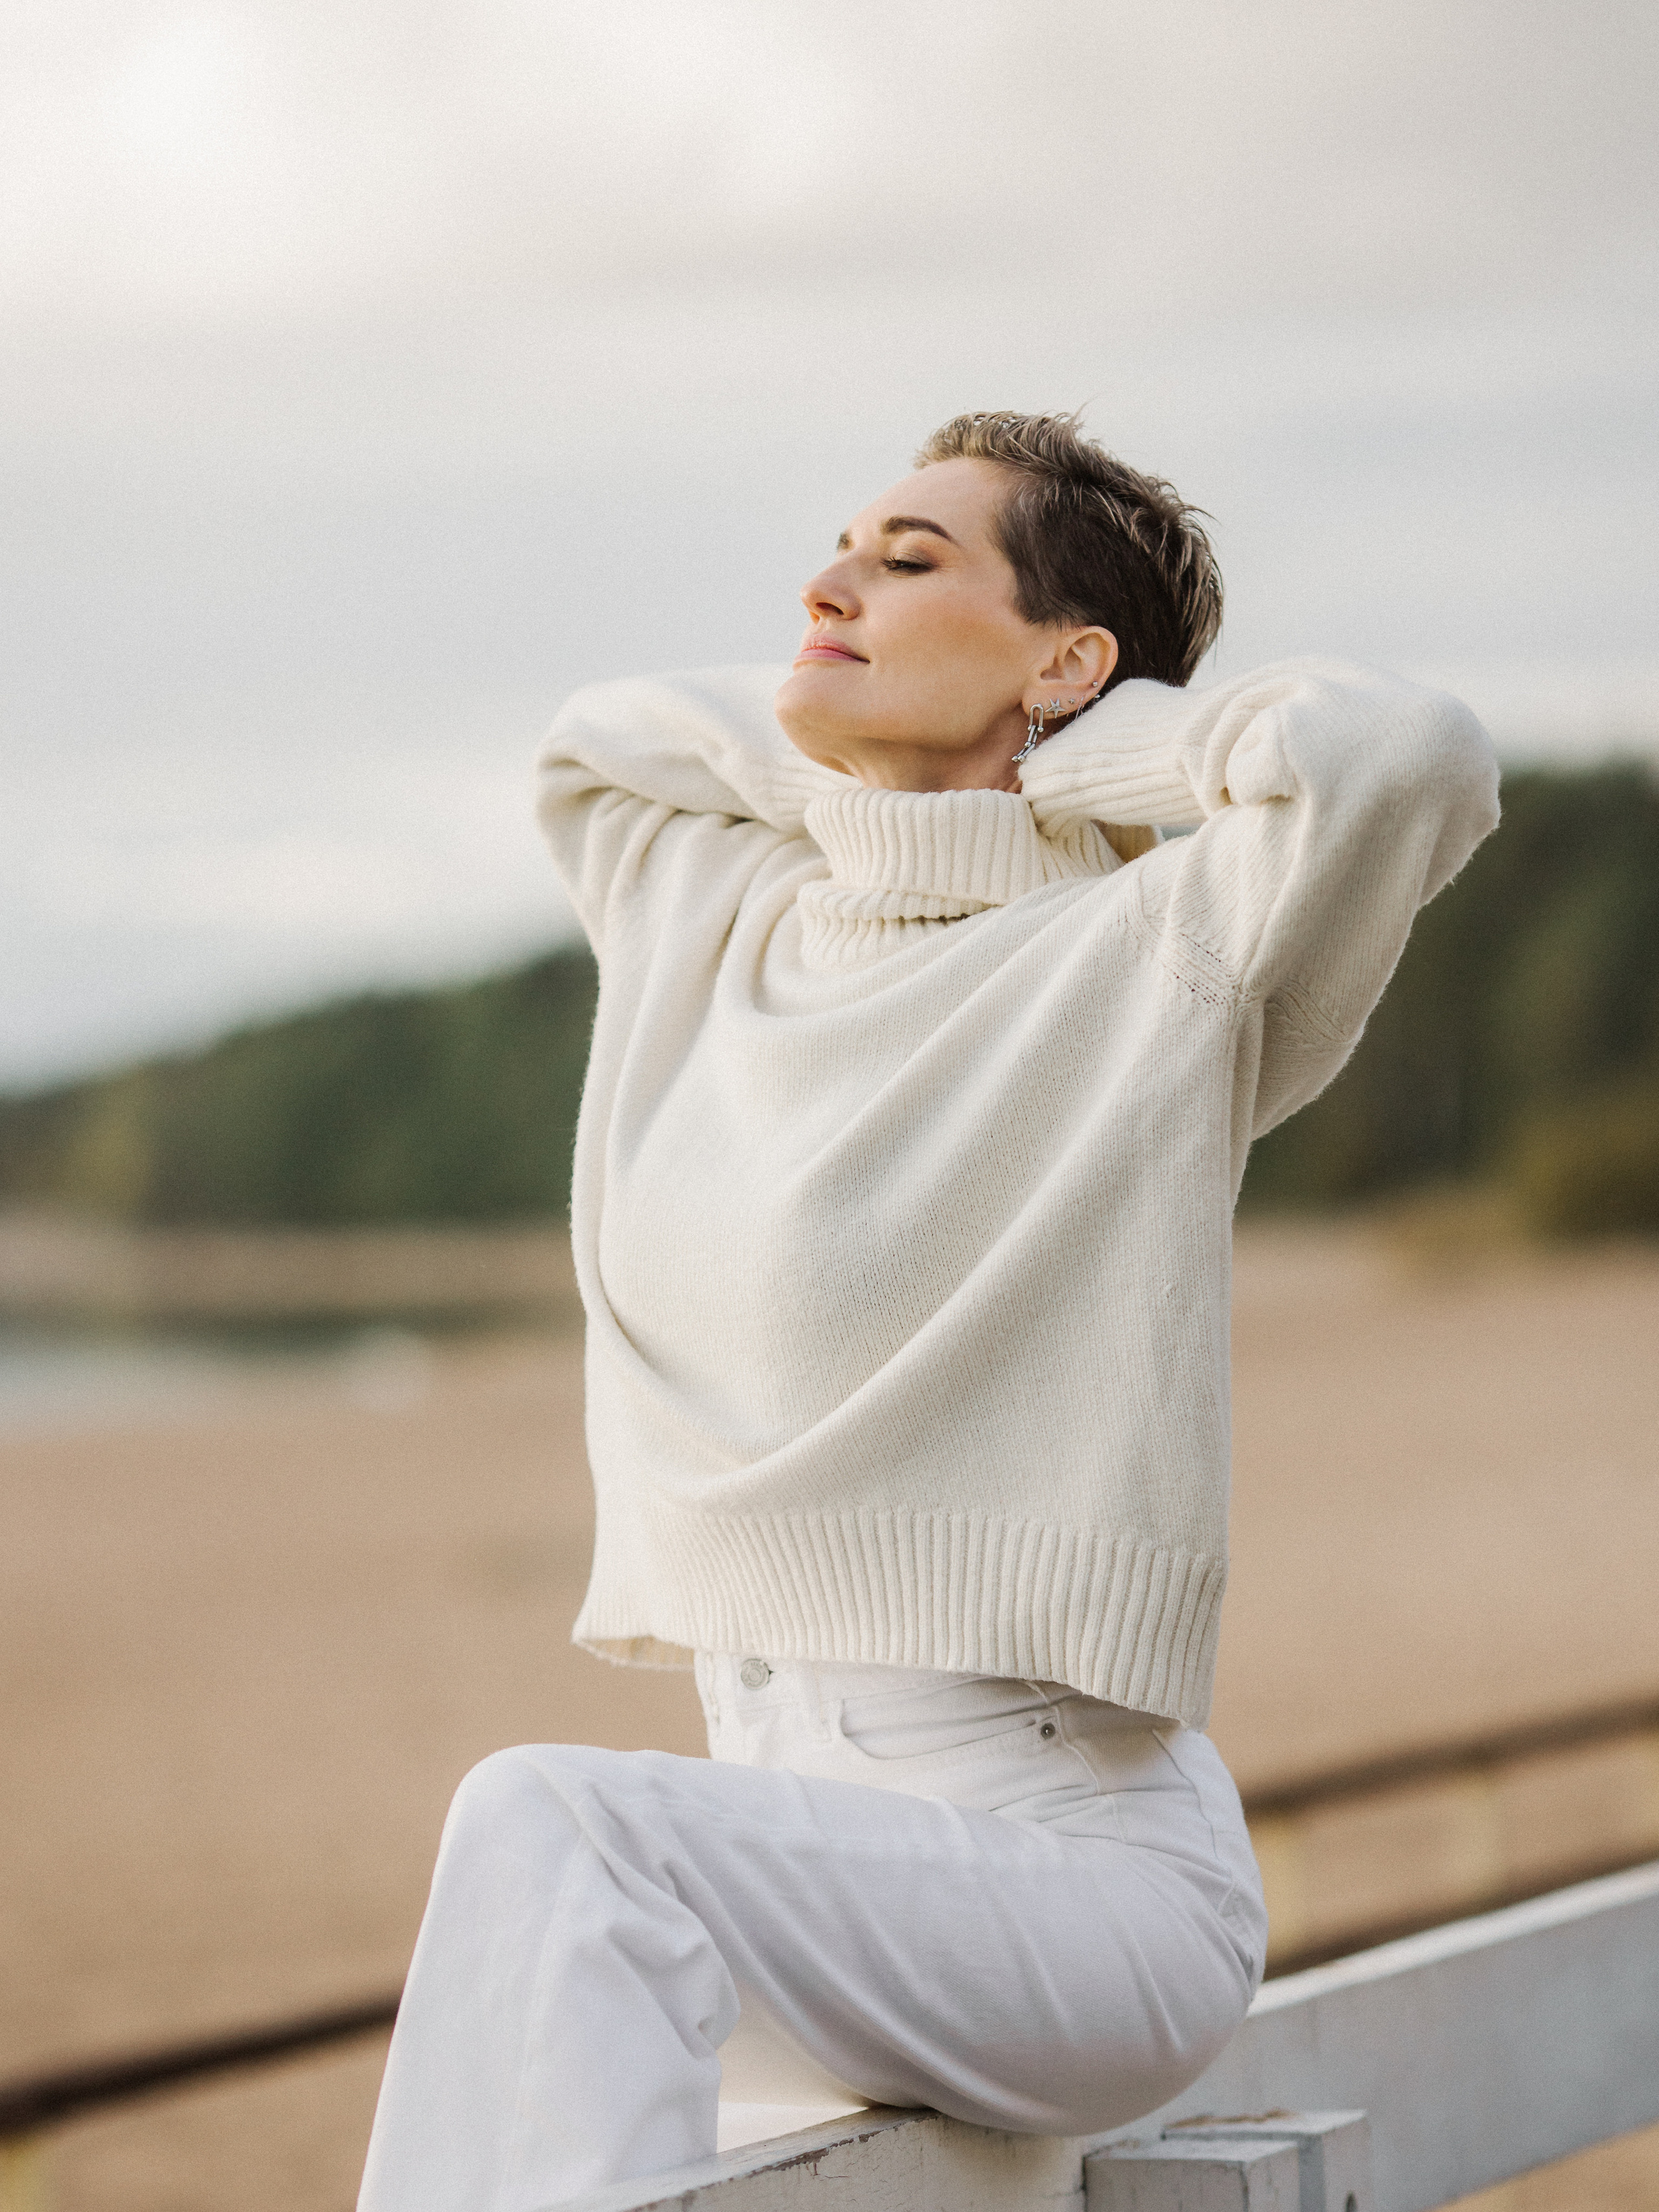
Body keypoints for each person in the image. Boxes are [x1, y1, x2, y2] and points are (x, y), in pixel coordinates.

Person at [357, 412, 1500, 2212]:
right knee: (556, 1932)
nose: (826, 587)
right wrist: (880, 740)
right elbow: (597, 745)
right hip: (798, 1872)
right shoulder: (713, 915)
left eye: (908, 561)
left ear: (1070, 657)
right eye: (836, 551)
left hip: (1075, 1883)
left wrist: (1071, 753)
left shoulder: (1164, 959)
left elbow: (1403, 757)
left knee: (549, 1824)